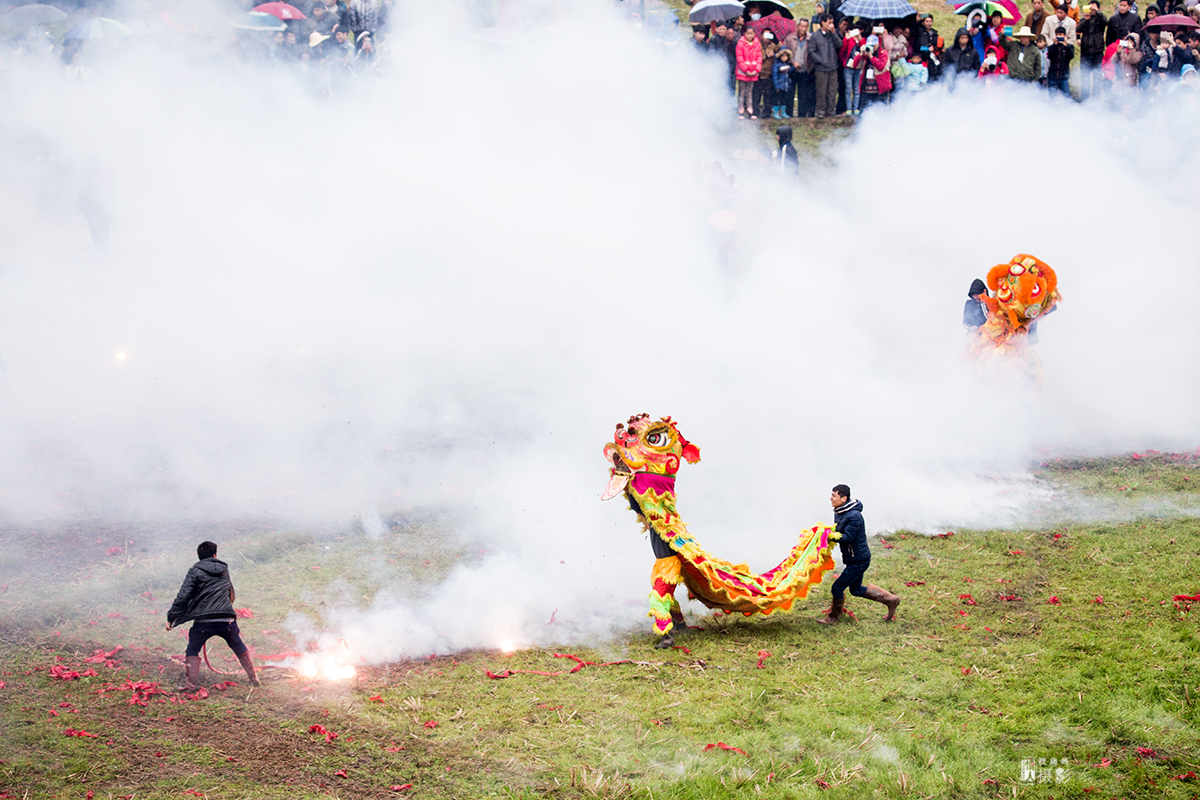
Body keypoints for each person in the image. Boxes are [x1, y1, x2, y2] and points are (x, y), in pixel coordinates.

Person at [166, 541, 259, 692]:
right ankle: (254, 678)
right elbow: (231, 593)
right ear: (215, 554)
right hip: (227, 620)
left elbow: (183, 596)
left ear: (199, 557)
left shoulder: (195, 571)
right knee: (238, 645)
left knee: (192, 649)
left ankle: (190, 686)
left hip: (204, 622)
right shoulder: (224, 570)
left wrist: (171, 618)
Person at [818, 485, 900, 624]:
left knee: (837, 588)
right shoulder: (839, 511)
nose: (831, 498)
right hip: (853, 558)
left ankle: (833, 618)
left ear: (843, 498)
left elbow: (848, 538)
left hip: (859, 560)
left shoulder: (854, 516)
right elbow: (838, 531)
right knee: (855, 590)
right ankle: (891, 600)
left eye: (834, 495)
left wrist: (828, 536)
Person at [808, 14, 842, 117]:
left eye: (832, 23)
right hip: (821, 68)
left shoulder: (832, 34)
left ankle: (831, 111)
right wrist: (820, 61)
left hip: (833, 67)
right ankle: (821, 111)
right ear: (822, 22)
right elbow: (811, 51)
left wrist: (834, 33)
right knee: (821, 91)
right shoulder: (815, 36)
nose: (831, 25)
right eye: (829, 23)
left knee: (832, 90)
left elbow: (839, 44)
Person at [1079, 0, 1108, 97]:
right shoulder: (1084, 19)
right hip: (1085, 52)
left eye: (1094, 8)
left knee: (1097, 77)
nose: (1091, 9)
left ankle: (1096, 98)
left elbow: (1106, 22)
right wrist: (1086, 19)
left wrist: (1097, 12)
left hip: (1097, 51)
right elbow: (1078, 29)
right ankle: (1084, 98)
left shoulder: (1100, 20)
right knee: (1085, 77)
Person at [735, 25, 763, 118]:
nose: (750, 35)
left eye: (751, 33)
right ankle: (741, 109)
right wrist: (745, 70)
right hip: (743, 72)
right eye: (748, 33)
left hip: (753, 72)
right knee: (742, 91)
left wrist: (756, 70)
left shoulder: (757, 43)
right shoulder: (740, 43)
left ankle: (750, 110)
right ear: (744, 33)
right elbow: (739, 57)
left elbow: (759, 57)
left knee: (750, 92)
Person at [840, 27, 864, 116]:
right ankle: (849, 109)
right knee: (848, 88)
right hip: (848, 66)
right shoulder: (848, 40)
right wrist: (847, 38)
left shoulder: (861, 40)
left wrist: (859, 39)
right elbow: (842, 50)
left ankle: (856, 108)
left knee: (857, 88)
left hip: (858, 67)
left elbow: (864, 49)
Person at [1047, 25, 1076, 93]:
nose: (1059, 37)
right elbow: (1050, 56)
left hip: (1064, 77)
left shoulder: (1069, 47)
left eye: (1060, 35)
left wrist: (1066, 45)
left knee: (1067, 97)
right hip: (1052, 76)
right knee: (1053, 97)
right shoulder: (1052, 47)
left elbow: (1071, 56)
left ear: (1065, 36)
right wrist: (1054, 45)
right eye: (1057, 35)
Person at [914, 13, 943, 80]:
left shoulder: (934, 33)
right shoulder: (919, 31)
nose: (928, 23)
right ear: (923, 22)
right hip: (922, 57)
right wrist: (917, 21)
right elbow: (914, 29)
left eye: (930, 21)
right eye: (926, 21)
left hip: (933, 58)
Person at [771, 47, 794, 117]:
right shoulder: (776, 65)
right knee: (777, 99)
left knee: (784, 99)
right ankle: (775, 112)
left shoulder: (788, 65)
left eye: (786, 56)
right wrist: (777, 86)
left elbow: (790, 71)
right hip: (779, 85)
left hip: (786, 85)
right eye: (782, 56)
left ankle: (783, 112)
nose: (784, 57)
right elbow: (774, 76)